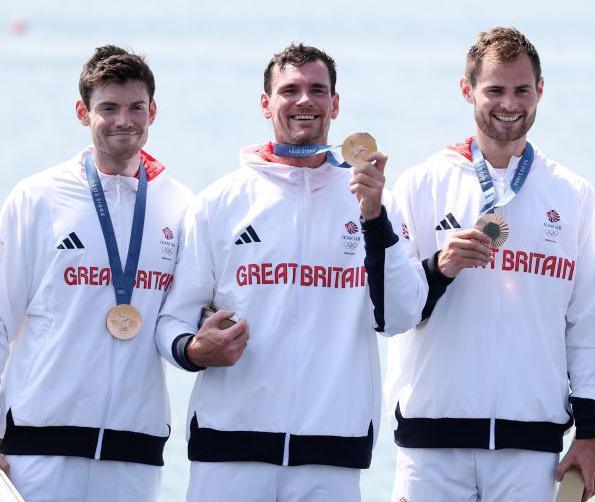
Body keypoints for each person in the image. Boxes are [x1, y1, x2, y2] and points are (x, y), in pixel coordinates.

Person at [155, 42, 427, 502]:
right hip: (228, 450)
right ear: (266, 103)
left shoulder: (371, 199)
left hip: (332, 455)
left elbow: (401, 315)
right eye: (289, 90)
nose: (305, 100)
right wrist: (193, 350)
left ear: (335, 104)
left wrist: (375, 218)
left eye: (318, 90)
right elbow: (171, 322)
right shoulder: (221, 202)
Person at [386, 27, 595, 501]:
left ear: (540, 91)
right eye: (494, 90)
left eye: (521, 90)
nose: (509, 103)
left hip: (530, 449)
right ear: (467, 90)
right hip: (432, 446)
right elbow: (391, 313)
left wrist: (591, 432)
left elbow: (588, 324)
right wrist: (439, 268)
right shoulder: (420, 184)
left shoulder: (572, 194)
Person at [0, 45, 191, 501]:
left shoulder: (180, 205)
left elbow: (180, 319)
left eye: (135, 108)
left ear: (153, 111)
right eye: (108, 107)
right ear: (83, 111)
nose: (124, 120)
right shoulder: (38, 198)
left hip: (134, 451)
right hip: (38, 448)